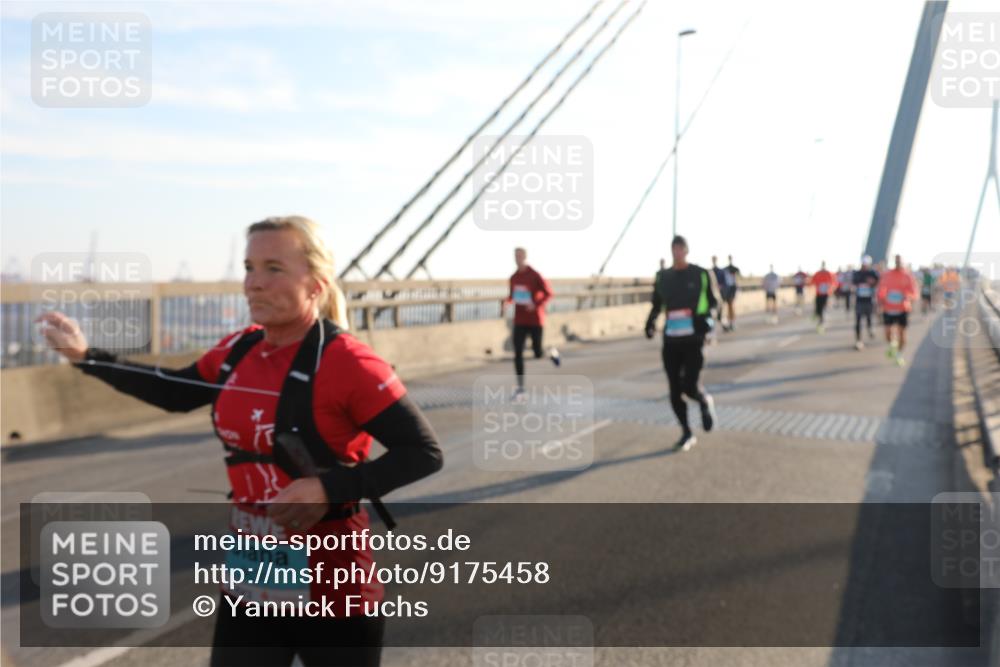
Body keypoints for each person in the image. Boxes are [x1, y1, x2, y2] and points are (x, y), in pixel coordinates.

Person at [37, 215, 444, 667]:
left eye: (274, 268)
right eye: (249, 268)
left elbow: (423, 453)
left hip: (335, 586)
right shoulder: (239, 350)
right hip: (250, 578)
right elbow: (174, 391)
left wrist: (330, 489)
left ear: (316, 284)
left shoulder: (350, 363)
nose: (254, 283)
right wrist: (86, 356)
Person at [645, 236, 719, 452]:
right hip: (671, 340)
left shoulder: (701, 274)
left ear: (686, 250)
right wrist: (649, 323)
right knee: (674, 390)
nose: (677, 252)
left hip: (694, 339)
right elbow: (657, 304)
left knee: (690, 386)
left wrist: (707, 320)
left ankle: (704, 401)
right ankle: (686, 432)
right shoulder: (663, 277)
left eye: (680, 249)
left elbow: (715, 303)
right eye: (673, 249)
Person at [505, 247, 559, 399]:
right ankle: (520, 388)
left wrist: (535, 303)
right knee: (517, 354)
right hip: (520, 320)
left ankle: (551, 352)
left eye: (520, 256)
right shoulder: (513, 277)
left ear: (525, 257)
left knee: (537, 353)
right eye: (515, 256)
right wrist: (507, 302)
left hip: (535, 320)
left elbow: (549, 293)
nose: (517, 258)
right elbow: (512, 296)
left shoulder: (535, 275)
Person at [877, 253, 919, 367]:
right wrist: (881, 299)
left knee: (902, 334)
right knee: (887, 332)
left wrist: (908, 297)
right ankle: (892, 345)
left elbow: (914, 293)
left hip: (902, 308)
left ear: (903, 262)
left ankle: (899, 354)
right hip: (888, 308)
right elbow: (881, 289)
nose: (898, 263)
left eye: (899, 261)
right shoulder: (887, 275)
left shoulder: (908, 276)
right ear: (894, 262)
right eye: (896, 261)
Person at [852, 255, 880, 350]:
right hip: (859, 300)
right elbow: (854, 283)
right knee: (858, 320)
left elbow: (879, 281)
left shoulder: (873, 273)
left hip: (869, 300)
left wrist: (873, 283)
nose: (864, 266)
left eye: (866, 264)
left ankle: (870, 328)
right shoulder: (857, 273)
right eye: (863, 264)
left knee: (869, 317)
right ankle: (858, 340)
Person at [809, 262, 838, 334]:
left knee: (822, 309)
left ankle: (821, 324)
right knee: (818, 309)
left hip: (826, 295)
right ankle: (818, 316)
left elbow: (835, 283)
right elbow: (812, 282)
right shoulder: (817, 273)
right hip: (819, 294)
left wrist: (830, 289)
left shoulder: (829, 274)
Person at [722, 255, 741, 331]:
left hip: (733, 288)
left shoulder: (735, 269)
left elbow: (738, 279)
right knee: (728, 306)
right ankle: (730, 322)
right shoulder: (725, 269)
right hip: (727, 289)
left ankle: (732, 322)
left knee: (731, 305)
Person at [710, 256, 729, 330]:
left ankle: (725, 326)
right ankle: (711, 329)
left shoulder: (721, 271)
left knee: (721, 313)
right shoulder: (710, 271)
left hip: (720, 296)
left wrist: (720, 287)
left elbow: (725, 283)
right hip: (712, 296)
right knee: (713, 314)